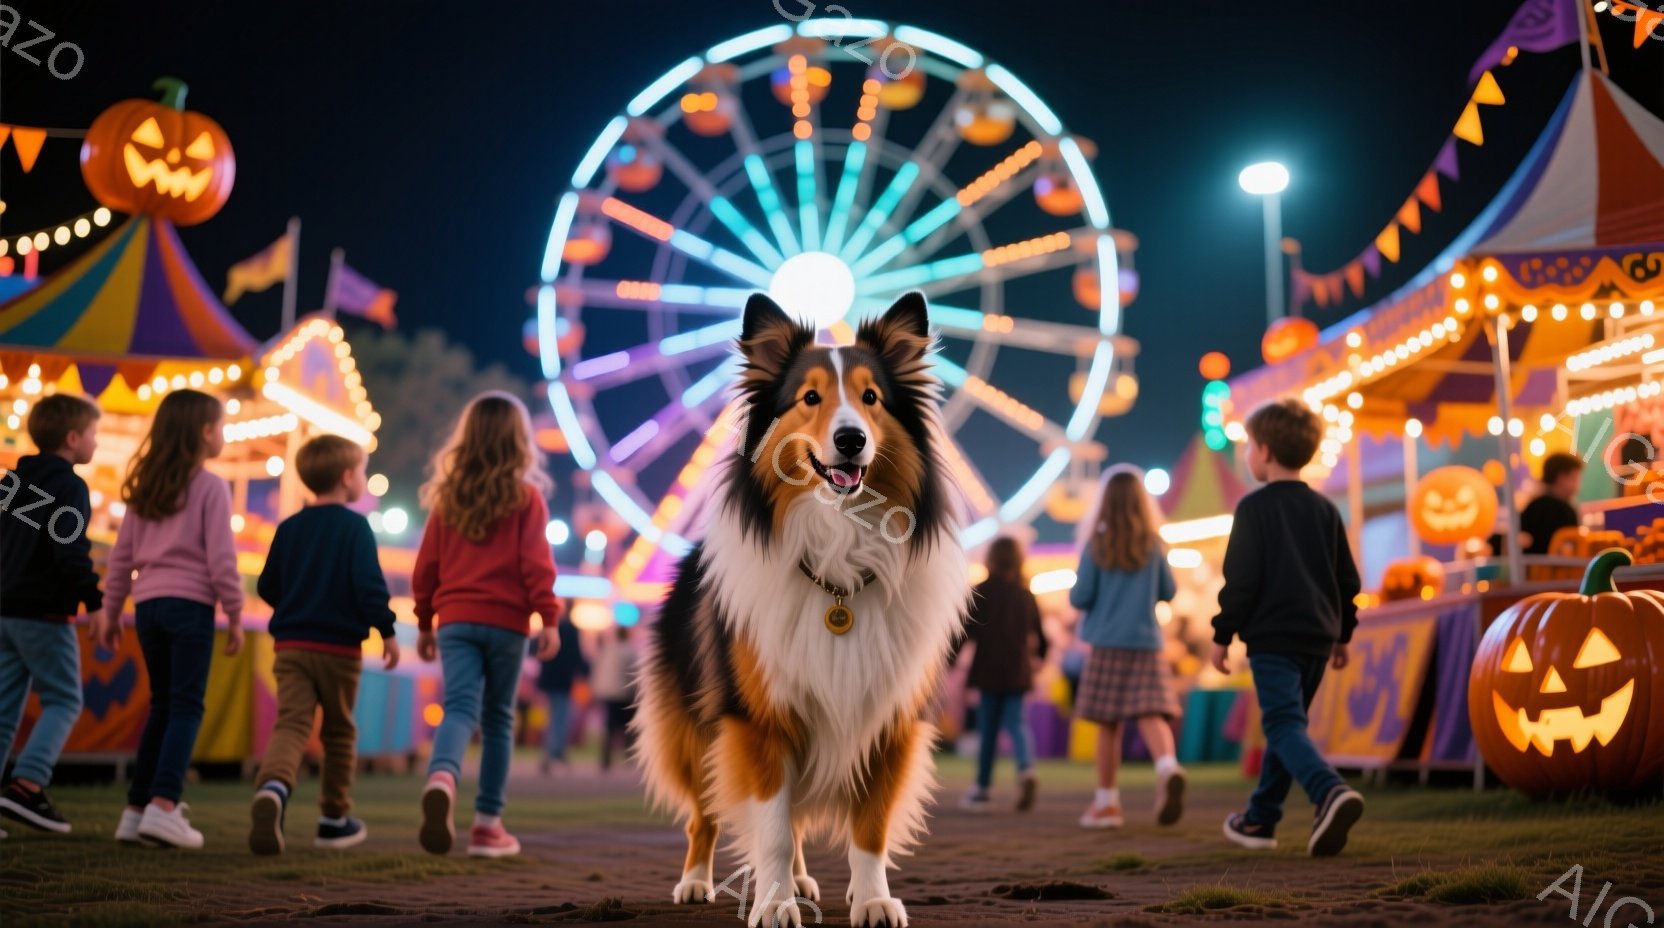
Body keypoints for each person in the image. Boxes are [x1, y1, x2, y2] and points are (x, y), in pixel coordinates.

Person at [1213, 398, 1365, 858]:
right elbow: (1346, 580)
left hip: (1273, 637)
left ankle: (1329, 791)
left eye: (1247, 447)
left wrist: (1222, 634)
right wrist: (1342, 633)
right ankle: (1260, 818)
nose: (1246, 456)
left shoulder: (1253, 509)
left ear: (1264, 451)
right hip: (1318, 638)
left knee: (1281, 724)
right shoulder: (1325, 509)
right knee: (1288, 726)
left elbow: (1242, 580)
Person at [414, 392, 561, 858]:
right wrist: (549, 618)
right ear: (520, 440)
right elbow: (535, 564)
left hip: (455, 620)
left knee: (458, 708)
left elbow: (427, 566)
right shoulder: (527, 498)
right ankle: (487, 826)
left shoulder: (447, 498)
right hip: (507, 624)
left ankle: (442, 776)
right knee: (499, 719)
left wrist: (423, 621)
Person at [97, 389, 243, 850]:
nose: (223, 435)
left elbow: (120, 559)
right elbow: (221, 558)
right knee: (185, 707)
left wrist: (110, 610)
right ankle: (164, 806)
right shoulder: (210, 486)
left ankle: (135, 809)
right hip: (189, 606)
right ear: (205, 432)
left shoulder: (146, 489)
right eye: (220, 426)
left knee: (162, 706)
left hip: (149, 607)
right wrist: (236, 611)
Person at [248, 435, 400, 855]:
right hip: (339, 649)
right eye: (363, 472)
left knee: (292, 724)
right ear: (348, 477)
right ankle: (333, 819)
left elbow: (267, 585)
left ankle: (274, 789)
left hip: (291, 645)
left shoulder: (289, 526)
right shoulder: (355, 527)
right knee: (338, 731)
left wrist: (298, 605)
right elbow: (369, 586)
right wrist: (386, 631)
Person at [0, 394, 103, 837]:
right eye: (95, 434)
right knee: (64, 699)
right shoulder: (70, 487)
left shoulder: (10, 482)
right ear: (73, 438)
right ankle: (27, 783)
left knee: (3, 709)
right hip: (43, 612)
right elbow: (70, 551)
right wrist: (94, 601)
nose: (97, 443)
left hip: (4, 609)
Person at [1070, 468, 1186, 830]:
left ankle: (1106, 805)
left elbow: (1080, 596)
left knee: (1109, 725)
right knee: (1152, 713)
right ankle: (1167, 767)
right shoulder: (1153, 543)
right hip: (1146, 643)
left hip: (1106, 643)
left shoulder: (1096, 544)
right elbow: (1169, 591)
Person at [955, 537, 1047, 814]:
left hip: (987, 671)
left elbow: (963, 634)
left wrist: (947, 661)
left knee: (989, 731)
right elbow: (1040, 637)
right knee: (1017, 724)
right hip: (1018, 672)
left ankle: (982, 789)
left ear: (990, 559)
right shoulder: (1025, 593)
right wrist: (1040, 658)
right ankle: (1026, 768)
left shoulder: (980, 592)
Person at [535, 605, 587, 774]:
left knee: (553, 716)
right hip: (564, 681)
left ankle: (552, 752)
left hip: (551, 681)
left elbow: (541, 652)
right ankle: (555, 752)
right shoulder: (571, 631)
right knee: (560, 716)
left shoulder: (553, 629)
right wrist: (586, 672)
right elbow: (576, 656)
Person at [590, 624, 636, 773]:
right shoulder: (629, 651)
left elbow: (598, 670)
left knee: (609, 727)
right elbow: (633, 674)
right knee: (628, 726)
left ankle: (605, 759)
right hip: (623, 693)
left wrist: (596, 690)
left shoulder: (608, 650)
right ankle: (629, 755)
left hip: (607, 693)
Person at [1521, 452, 1583, 555]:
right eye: (1575, 478)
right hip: (1558, 569)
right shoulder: (1564, 510)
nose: (1578, 485)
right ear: (1561, 477)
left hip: (1532, 569)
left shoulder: (1533, 504)